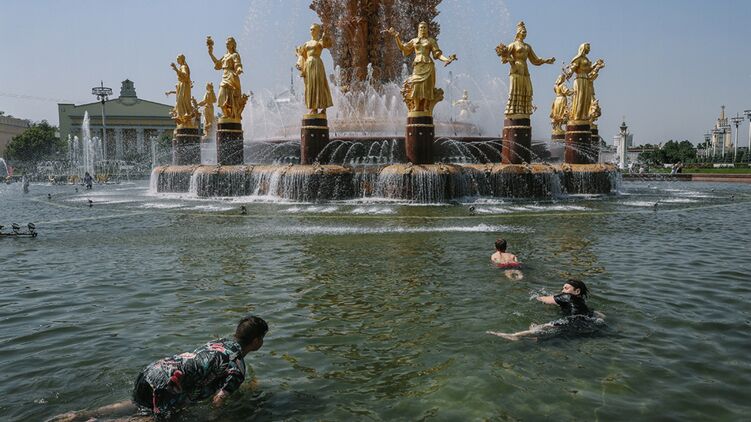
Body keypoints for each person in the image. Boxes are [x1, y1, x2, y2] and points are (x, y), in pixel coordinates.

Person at [51, 315, 268, 421]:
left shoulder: (219, 342)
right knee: (150, 420)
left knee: (138, 405)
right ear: (256, 341)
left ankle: (77, 416)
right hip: (168, 385)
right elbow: (218, 400)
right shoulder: (237, 366)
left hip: (154, 370)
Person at [487, 279, 603, 341]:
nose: (563, 290)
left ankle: (515, 335)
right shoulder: (581, 301)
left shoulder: (566, 296)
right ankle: (535, 338)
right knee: (548, 331)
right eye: (562, 288)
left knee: (544, 326)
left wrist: (537, 297)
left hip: (572, 323)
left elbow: (544, 299)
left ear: (577, 291)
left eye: (566, 288)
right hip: (586, 324)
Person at [387, 22, 456, 113]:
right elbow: (403, 48)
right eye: (421, 27)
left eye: (424, 27)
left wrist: (446, 60)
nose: (423, 29)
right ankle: (416, 106)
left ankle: (426, 106)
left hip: (428, 65)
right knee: (416, 84)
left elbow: (437, 54)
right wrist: (396, 37)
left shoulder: (431, 41)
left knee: (428, 86)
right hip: (418, 65)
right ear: (418, 29)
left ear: (427, 29)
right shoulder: (414, 41)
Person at [496, 21, 555, 117]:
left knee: (527, 89)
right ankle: (513, 111)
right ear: (518, 33)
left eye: (526, 32)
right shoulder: (513, 45)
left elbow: (534, 60)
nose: (525, 34)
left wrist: (546, 61)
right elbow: (504, 57)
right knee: (515, 89)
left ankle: (523, 110)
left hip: (525, 69)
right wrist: (509, 59)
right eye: (523, 32)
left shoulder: (527, 46)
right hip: (516, 69)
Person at [296, 23, 334, 116]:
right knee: (310, 85)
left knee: (319, 84)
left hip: (317, 63)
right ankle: (313, 108)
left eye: (313, 29)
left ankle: (323, 107)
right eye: (310, 29)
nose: (311, 31)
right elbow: (302, 55)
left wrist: (325, 34)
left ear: (317, 31)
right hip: (308, 65)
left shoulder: (319, 42)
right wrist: (299, 64)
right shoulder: (306, 43)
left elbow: (327, 44)